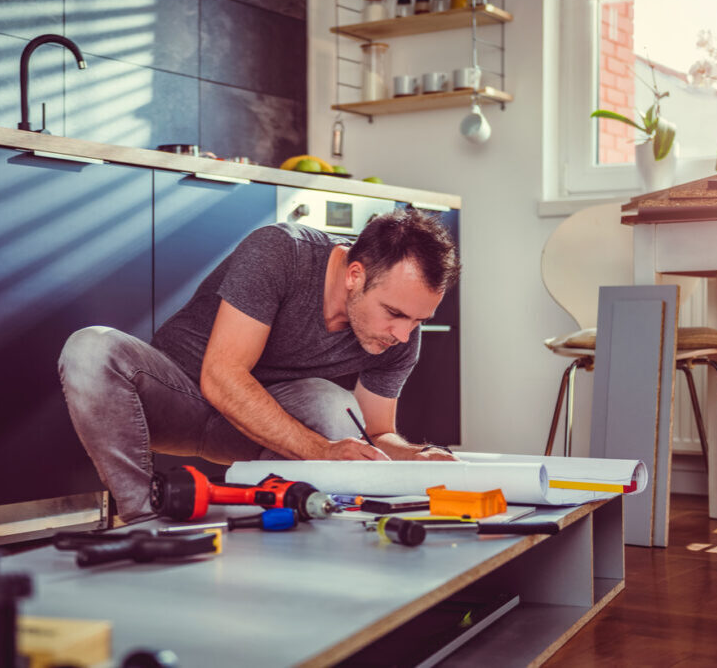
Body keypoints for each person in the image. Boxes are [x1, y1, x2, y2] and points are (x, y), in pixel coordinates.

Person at [59, 207, 461, 522]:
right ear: (355, 275)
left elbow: (376, 432)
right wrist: (322, 450)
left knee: (333, 405)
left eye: (417, 320)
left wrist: (414, 456)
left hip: (259, 434)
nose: (404, 335)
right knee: (90, 348)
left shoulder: (400, 331)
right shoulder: (280, 251)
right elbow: (221, 378)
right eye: (394, 313)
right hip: (179, 400)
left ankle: (290, 524)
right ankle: (141, 515)